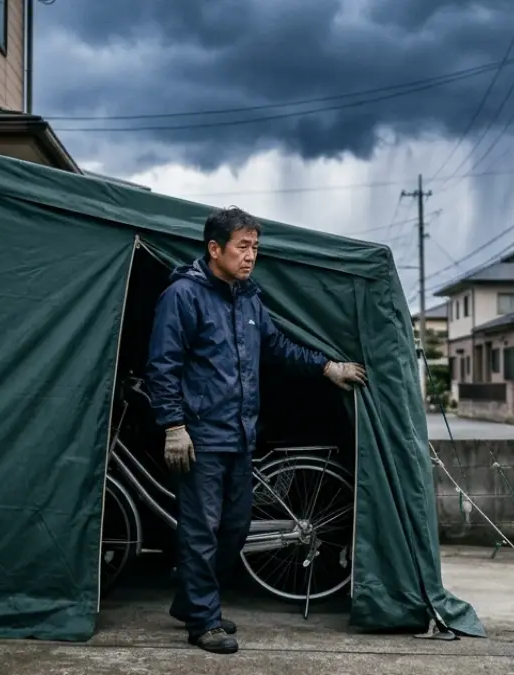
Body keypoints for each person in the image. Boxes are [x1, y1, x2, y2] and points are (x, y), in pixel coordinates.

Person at [143, 206, 367, 654]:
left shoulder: (248, 298)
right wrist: (173, 426)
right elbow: (162, 366)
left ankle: (192, 603)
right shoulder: (182, 296)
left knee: (236, 529)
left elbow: (278, 347)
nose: (250, 257)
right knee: (201, 530)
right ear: (214, 249)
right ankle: (203, 621)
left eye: (255, 249)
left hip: (241, 435)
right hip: (199, 437)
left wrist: (328, 367)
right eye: (242, 247)